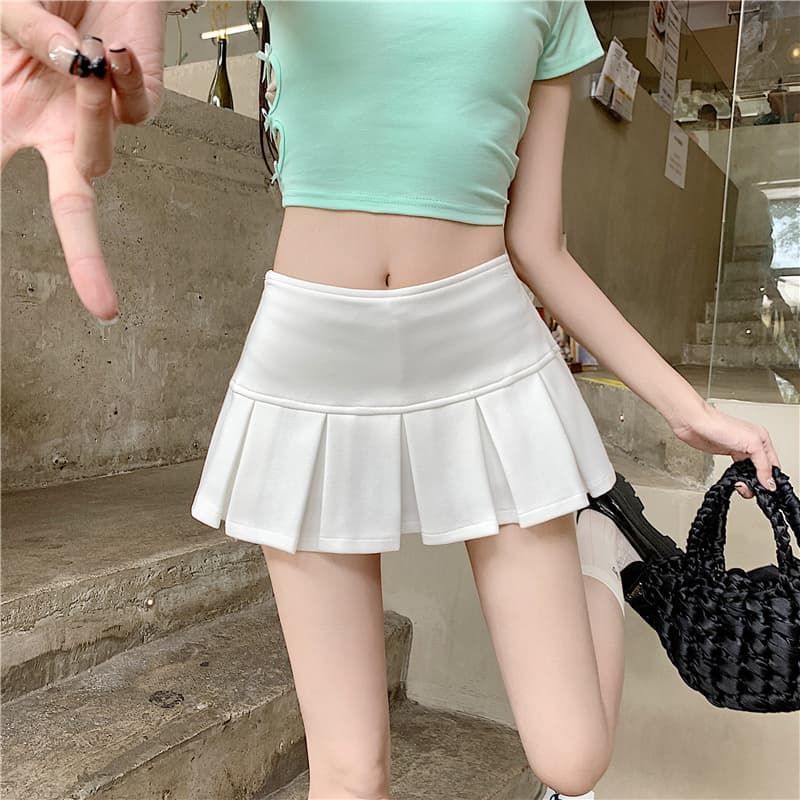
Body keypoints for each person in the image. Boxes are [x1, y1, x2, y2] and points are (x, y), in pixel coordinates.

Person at [1, 2, 782, 799]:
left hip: (484, 345)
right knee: (347, 774)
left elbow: (538, 243)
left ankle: (600, 549)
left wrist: (683, 407)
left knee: (571, 760)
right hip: (312, 357)